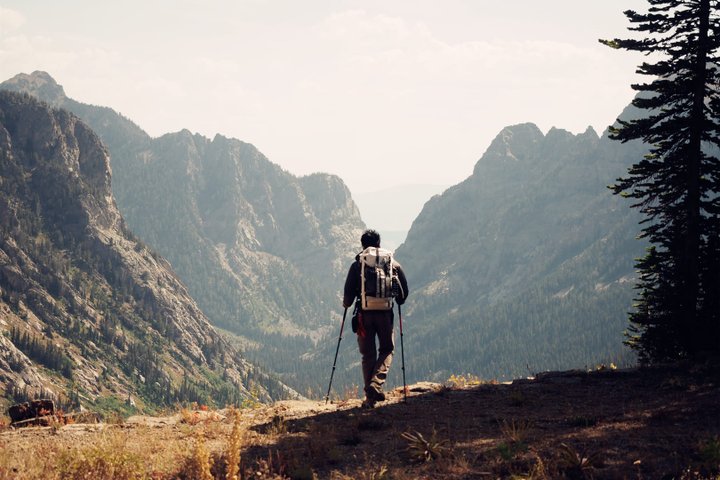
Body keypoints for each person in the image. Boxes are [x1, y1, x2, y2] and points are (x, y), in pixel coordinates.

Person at [343, 229, 409, 408]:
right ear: (379, 244)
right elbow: (404, 295)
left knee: (367, 355)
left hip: (364, 315)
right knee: (387, 349)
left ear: (362, 245)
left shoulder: (358, 265)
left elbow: (348, 296)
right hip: (385, 315)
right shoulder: (392, 264)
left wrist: (346, 305)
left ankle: (370, 398)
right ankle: (376, 384)